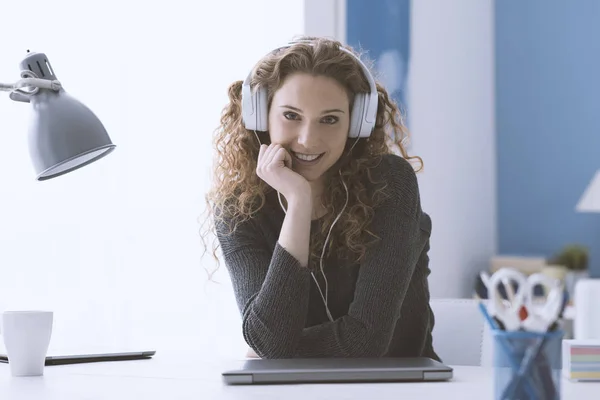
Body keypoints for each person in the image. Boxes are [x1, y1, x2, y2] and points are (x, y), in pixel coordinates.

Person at [201, 36, 440, 361]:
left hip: (397, 388)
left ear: (355, 124)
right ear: (261, 116)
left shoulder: (390, 183)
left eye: (329, 119)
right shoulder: (239, 207)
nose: (308, 139)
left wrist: (274, 349)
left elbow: (366, 343)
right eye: (291, 115)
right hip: (293, 392)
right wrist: (298, 203)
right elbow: (269, 341)